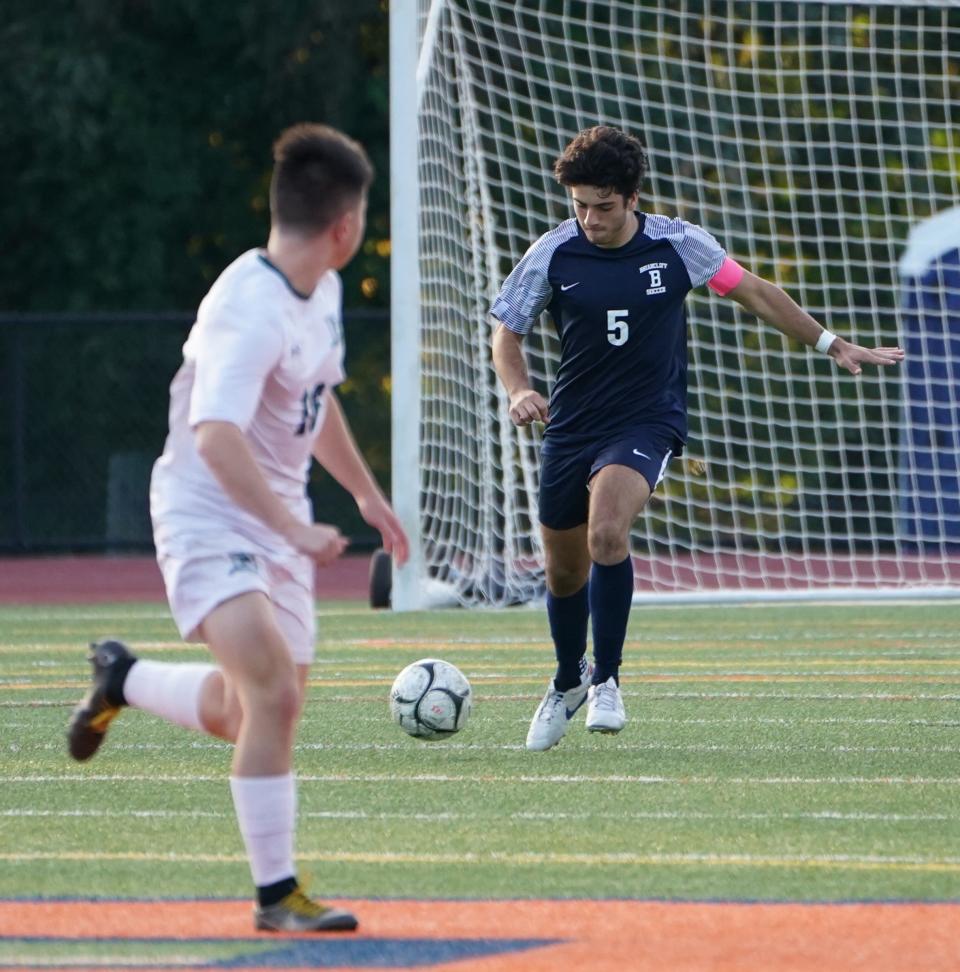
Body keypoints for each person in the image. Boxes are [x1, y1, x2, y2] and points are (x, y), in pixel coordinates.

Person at [67, 123, 409, 931]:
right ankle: (275, 896)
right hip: (207, 510)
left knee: (244, 711)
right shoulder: (248, 306)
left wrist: (364, 495)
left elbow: (315, 405)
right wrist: (292, 528)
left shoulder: (319, 287)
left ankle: (122, 678)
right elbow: (214, 436)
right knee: (274, 694)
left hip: (271, 518)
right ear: (346, 226)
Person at [490, 125, 904, 753]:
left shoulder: (680, 245)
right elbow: (506, 333)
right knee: (563, 573)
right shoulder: (551, 254)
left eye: (602, 206)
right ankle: (566, 677)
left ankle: (607, 679)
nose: (589, 219)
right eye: (578, 206)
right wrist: (520, 390)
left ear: (633, 199)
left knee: (607, 532)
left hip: (646, 421)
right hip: (571, 426)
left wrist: (833, 343)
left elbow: (756, 294)